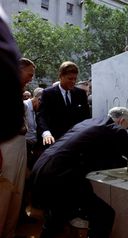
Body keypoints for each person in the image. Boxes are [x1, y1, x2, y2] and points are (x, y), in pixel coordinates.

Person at [30, 106, 128, 238]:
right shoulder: (115, 129)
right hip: (61, 177)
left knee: (57, 216)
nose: (126, 131)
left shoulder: (90, 123)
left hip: (42, 169)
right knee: (104, 215)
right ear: (121, 121)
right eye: (127, 128)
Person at [0, 6, 35, 236]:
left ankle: (10, 231)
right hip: (6, 146)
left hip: (20, 144)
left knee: (17, 191)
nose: (31, 79)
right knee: (4, 190)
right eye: (29, 74)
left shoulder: (20, 95)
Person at [36, 61, 91, 147]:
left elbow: (86, 117)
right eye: (70, 79)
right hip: (55, 141)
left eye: (75, 79)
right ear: (61, 76)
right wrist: (46, 133)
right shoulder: (48, 94)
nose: (73, 81)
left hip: (76, 141)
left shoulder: (80, 94)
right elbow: (42, 116)